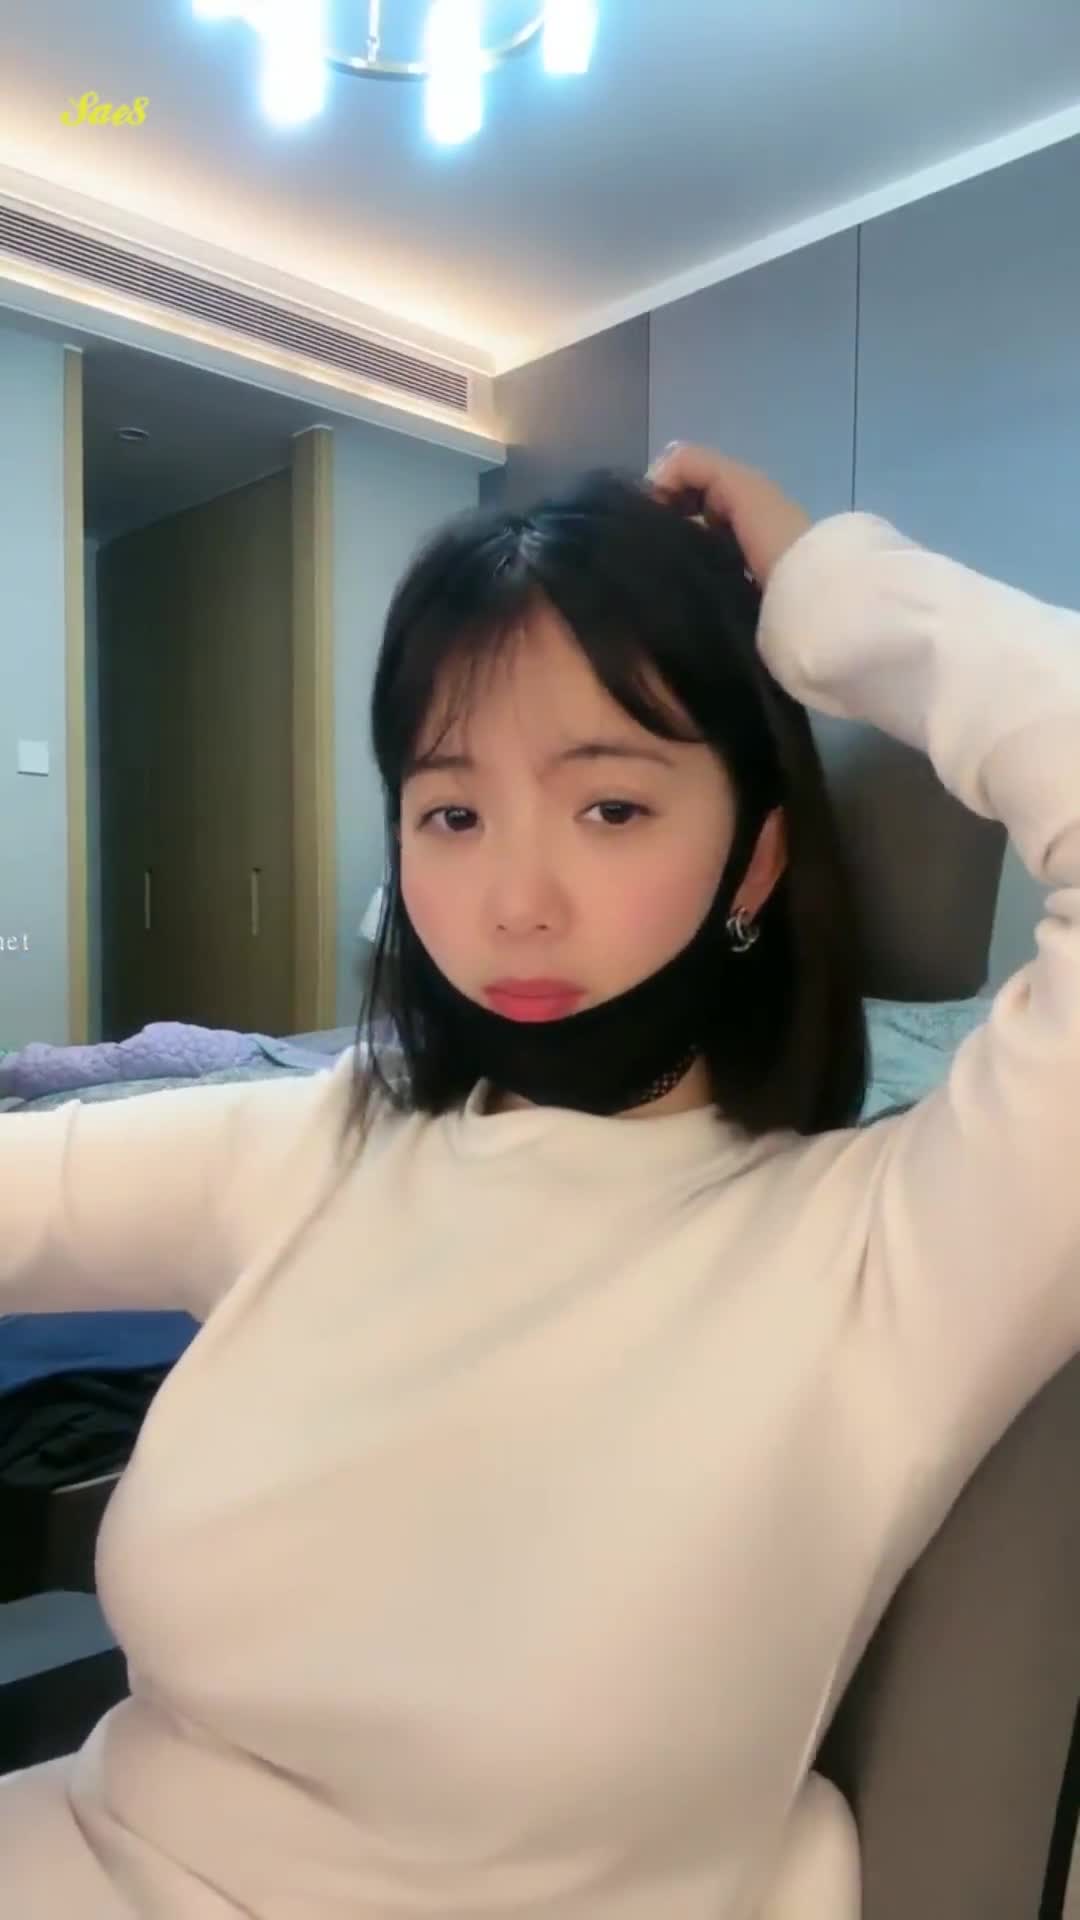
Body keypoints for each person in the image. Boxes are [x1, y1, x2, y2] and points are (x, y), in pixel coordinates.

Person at [1, 442, 1078, 1920]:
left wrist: (841, 593)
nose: (512, 905)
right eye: (451, 814)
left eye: (610, 808)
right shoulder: (321, 1144)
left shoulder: (899, 1249)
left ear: (758, 859)